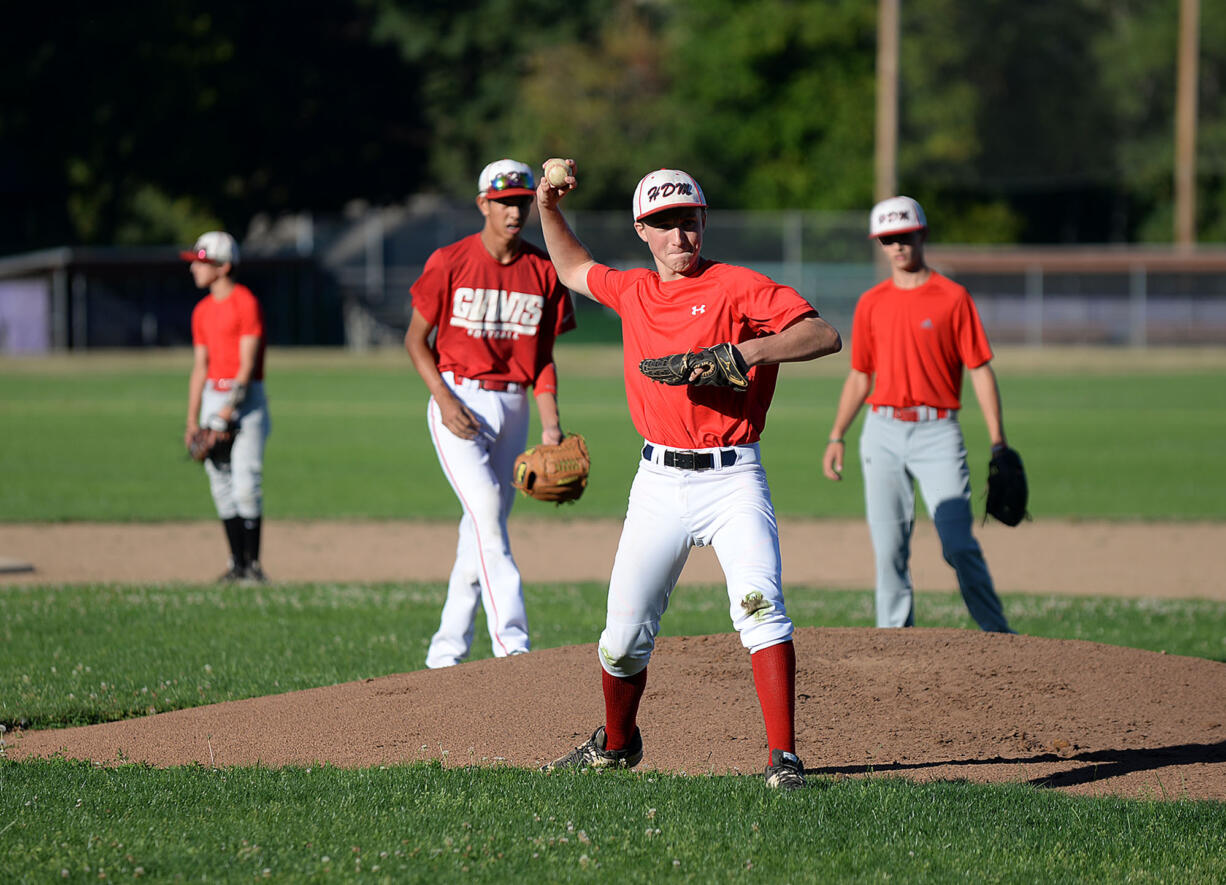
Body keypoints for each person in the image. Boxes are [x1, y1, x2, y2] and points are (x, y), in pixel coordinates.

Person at [534, 163, 842, 789]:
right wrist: (545, 205)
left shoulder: (737, 286)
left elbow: (823, 334)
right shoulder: (635, 292)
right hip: (658, 484)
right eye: (665, 224)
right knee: (621, 640)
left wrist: (745, 351)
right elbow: (570, 268)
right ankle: (617, 745)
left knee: (761, 610)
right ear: (643, 231)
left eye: (689, 221)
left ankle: (784, 760)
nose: (680, 235)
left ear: (703, 222)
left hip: (733, 480)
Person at [405, 158, 577, 669]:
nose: (514, 211)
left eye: (522, 202)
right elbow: (416, 340)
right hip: (459, 398)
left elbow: (542, 357)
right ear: (483, 203)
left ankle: (445, 652)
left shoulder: (543, 270)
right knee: (485, 512)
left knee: (481, 528)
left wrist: (550, 423)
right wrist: (444, 398)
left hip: (515, 405)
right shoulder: (450, 260)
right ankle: (513, 645)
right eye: (503, 202)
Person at [821, 196, 1013, 633]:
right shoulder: (871, 302)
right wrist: (837, 435)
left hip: (937, 432)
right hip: (882, 430)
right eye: (888, 238)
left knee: (958, 544)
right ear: (880, 245)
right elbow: (859, 376)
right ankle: (893, 642)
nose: (897, 245)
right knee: (889, 548)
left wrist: (998, 439)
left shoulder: (952, 298)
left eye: (904, 235)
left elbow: (980, 370)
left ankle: (1000, 636)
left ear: (921, 234)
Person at [182, 231, 271, 584]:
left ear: (224, 267)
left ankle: (253, 566)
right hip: (212, 398)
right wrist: (193, 418)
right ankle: (236, 564)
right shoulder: (201, 311)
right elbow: (200, 368)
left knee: (246, 482)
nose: (195, 270)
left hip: (245, 400)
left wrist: (226, 412)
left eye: (202, 263)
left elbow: (247, 366)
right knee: (220, 483)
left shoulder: (245, 303)